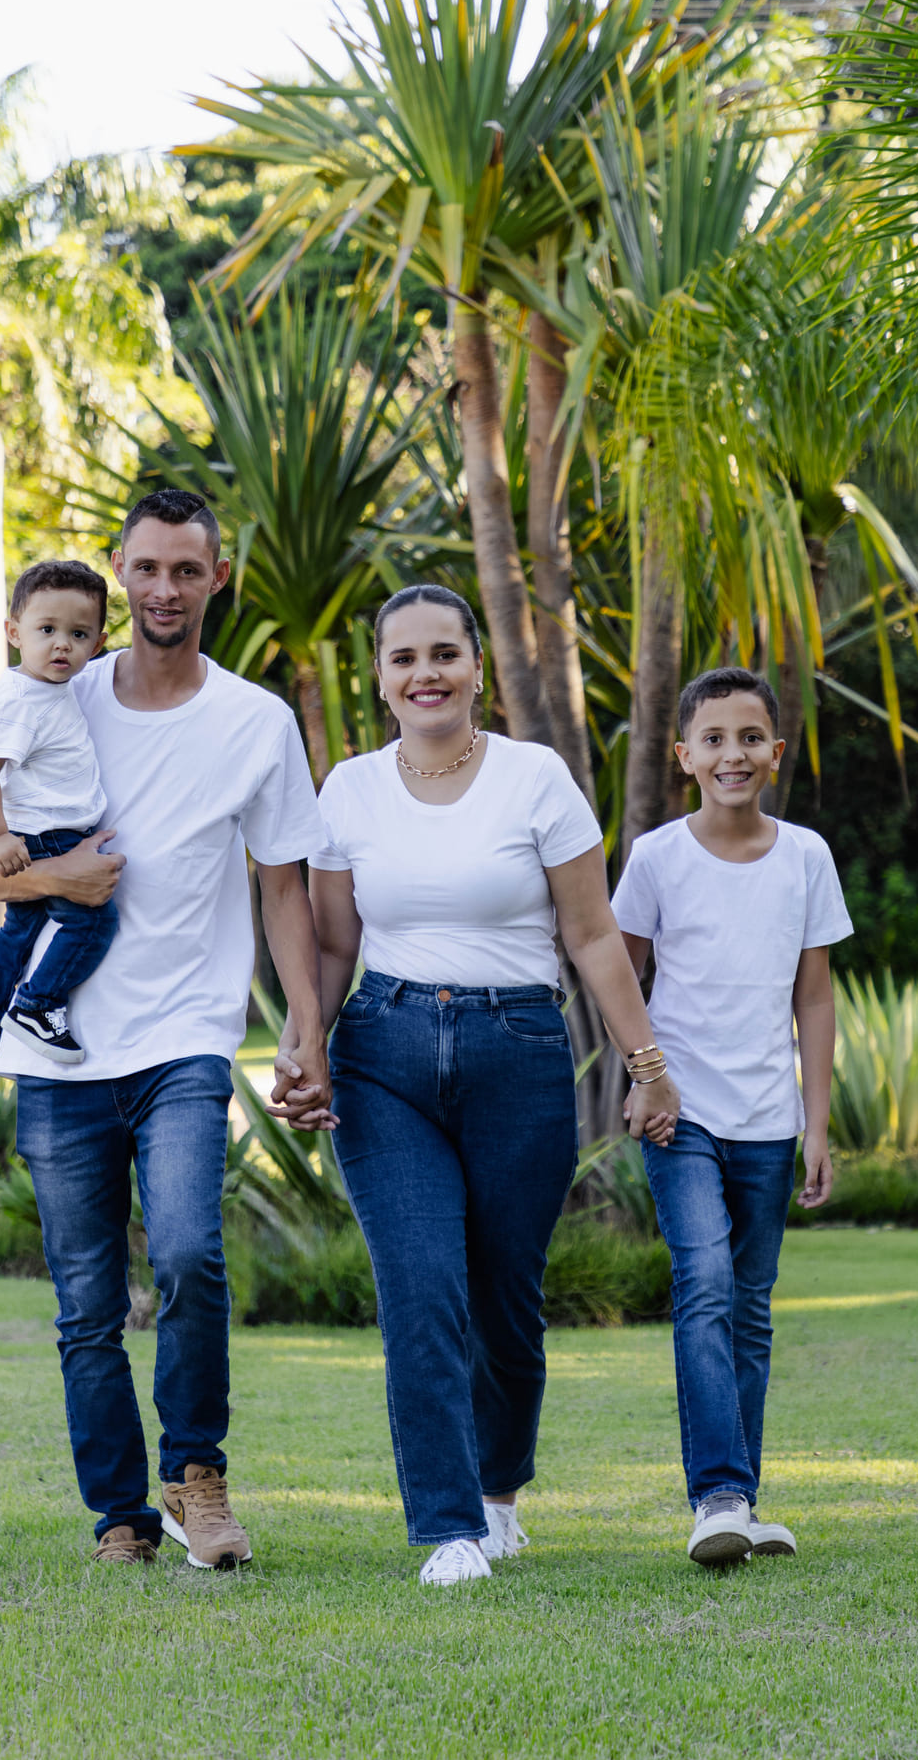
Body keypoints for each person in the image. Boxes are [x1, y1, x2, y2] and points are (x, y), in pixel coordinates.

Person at [0, 489, 330, 1570]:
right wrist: (61, 874)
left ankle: (197, 1479)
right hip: (56, 1046)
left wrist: (306, 1024)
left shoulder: (256, 722)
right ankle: (120, 1515)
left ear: (219, 580)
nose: (166, 588)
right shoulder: (56, 692)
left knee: (191, 1253)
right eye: (148, 569)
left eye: (187, 570)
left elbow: (284, 887)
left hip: (184, 1038)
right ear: (119, 573)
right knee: (83, 1300)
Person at [280, 583, 680, 1587]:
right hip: (386, 1053)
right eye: (405, 658)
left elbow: (591, 937)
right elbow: (333, 946)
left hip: (521, 1052)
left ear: (477, 667)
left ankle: (501, 1493)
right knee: (421, 1290)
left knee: (505, 1302)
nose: (427, 675)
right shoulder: (349, 793)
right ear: (380, 678)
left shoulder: (535, 780)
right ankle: (448, 1527)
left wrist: (648, 1065)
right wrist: (305, 1047)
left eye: (444, 654)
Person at [611, 666, 851, 1570]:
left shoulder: (806, 857)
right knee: (704, 1280)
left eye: (749, 738)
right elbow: (617, 975)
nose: (732, 754)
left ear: (775, 752)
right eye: (712, 740)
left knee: (749, 1310)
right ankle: (716, 1493)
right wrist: (643, 1077)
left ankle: (741, 1502)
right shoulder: (657, 857)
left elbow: (816, 1000)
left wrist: (817, 1125)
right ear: (684, 757)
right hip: (682, 1114)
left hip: (769, 1119)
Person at [0, 559, 117, 1070]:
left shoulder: (46, 690)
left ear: (98, 642)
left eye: (78, 633)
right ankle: (37, 1005)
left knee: (19, 932)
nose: (62, 644)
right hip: (46, 837)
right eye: (46, 630)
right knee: (92, 925)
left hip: (44, 832)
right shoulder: (21, 699)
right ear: (14, 632)